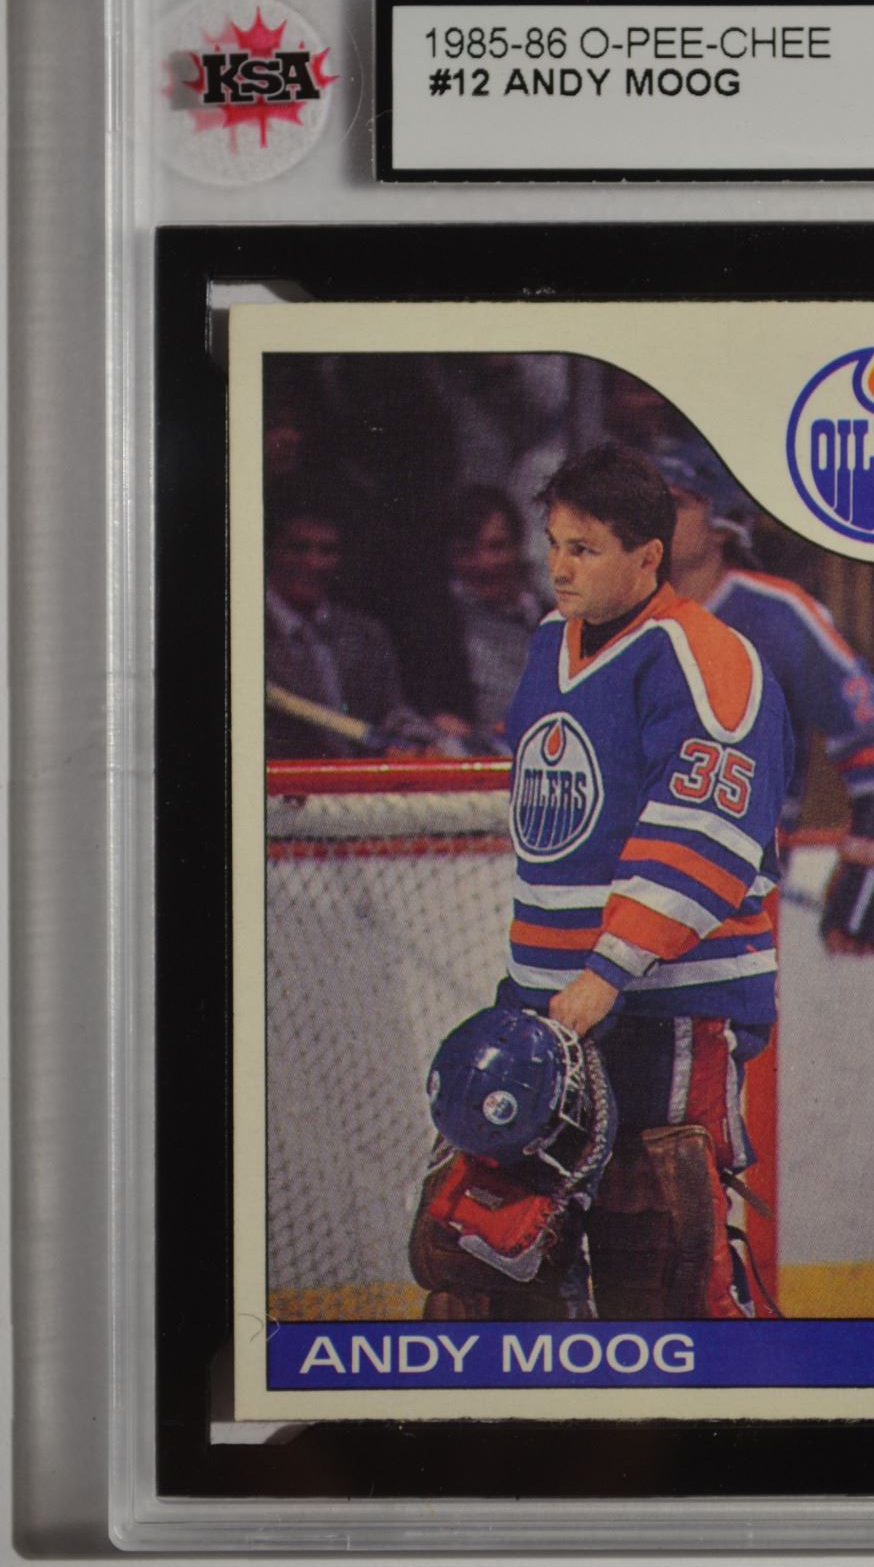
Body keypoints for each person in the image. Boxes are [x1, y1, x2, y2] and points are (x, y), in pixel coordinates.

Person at [415, 443, 794, 1321]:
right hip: (549, 1008)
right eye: (554, 544)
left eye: (583, 549)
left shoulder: (705, 656)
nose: (557, 567)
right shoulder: (551, 642)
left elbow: (702, 831)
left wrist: (607, 970)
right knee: (494, 1261)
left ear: (648, 556)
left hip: (668, 1011)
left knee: (658, 1268)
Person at [655, 438, 874, 953]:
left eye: (677, 503)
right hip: (623, 880)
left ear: (724, 520)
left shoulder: (776, 617)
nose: (653, 518)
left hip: (737, 898)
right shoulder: (611, 613)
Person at [264, 492, 441, 758]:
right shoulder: (245, 637)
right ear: (271, 550)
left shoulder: (366, 634)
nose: (314, 563)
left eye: (327, 550)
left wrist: (426, 740)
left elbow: (391, 714)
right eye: (298, 548)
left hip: (364, 780)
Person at [444, 486, 547, 741]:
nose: (485, 563)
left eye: (497, 547)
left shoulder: (556, 618)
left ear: (519, 545)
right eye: (467, 552)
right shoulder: (438, 624)